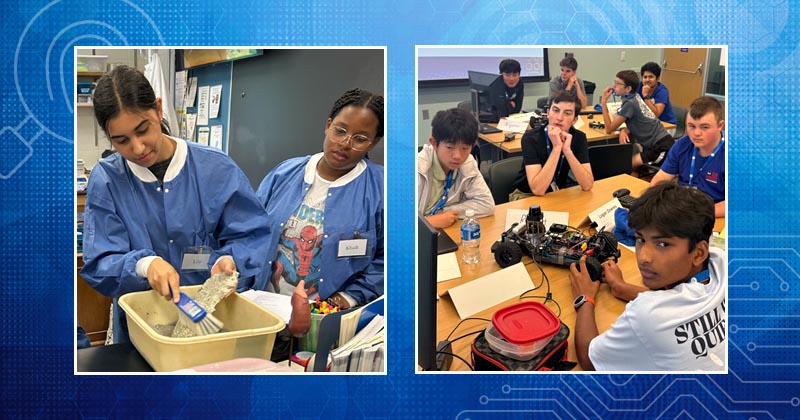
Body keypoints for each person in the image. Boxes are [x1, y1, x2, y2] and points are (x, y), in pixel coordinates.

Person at [80, 65, 271, 344]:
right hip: (140, 330)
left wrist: (230, 260)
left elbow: (252, 236)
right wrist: (145, 265)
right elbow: (100, 262)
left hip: (211, 324)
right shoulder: (107, 180)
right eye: (121, 141)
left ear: (158, 109)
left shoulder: (215, 168)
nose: (138, 148)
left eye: (143, 130)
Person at [569, 183, 726, 371]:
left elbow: (590, 360)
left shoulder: (648, 316)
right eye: (641, 239)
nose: (644, 257)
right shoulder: (722, 262)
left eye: (663, 244)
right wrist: (621, 287)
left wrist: (584, 298)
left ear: (699, 252)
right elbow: (682, 302)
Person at [254, 88, 384, 314]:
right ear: (328, 125)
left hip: (325, 316)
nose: (345, 143)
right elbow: (251, 231)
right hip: (265, 307)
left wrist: (348, 297)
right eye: (340, 131)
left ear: (374, 143)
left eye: (360, 139)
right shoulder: (284, 174)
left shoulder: (382, 188)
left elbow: (391, 258)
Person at [417, 108, 495, 229]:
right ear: (434, 143)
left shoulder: (468, 162)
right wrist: (428, 222)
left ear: (473, 145)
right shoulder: (417, 169)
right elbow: (396, 221)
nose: (457, 156)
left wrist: (442, 213)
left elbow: (486, 205)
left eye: (464, 148)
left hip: (447, 229)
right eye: (449, 147)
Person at [509, 91, 594, 199]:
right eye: (556, 110)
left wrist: (567, 151)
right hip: (527, 195)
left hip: (557, 192)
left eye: (567, 113)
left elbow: (587, 185)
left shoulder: (579, 138)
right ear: (548, 113)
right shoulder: (531, 138)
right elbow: (538, 189)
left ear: (575, 120)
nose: (559, 117)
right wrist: (557, 148)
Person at [650, 96, 725, 217]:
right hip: (683, 211)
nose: (696, 133)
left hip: (713, 215)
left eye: (704, 127)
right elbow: (662, 177)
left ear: (720, 125)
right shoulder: (682, 145)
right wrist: (652, 200)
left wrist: (697, 213)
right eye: (691, 126)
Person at [600, 70, 674, 171]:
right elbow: (637, 120)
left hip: (660, 148)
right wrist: (624, 129)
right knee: (629, 163)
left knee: (623, 166)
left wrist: (603, 102)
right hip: (663, 142)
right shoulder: (636, 97)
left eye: (618, 83)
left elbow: (609, 129)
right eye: (614, 82)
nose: (614, 86)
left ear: (628, 89)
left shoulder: (629, 104)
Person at [635, 62, 677, 134]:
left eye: (651, 77)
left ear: (657, 78)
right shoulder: (639, 86)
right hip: (648, 123)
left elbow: (656, 114)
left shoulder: (662, 91)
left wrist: (645, 95)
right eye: (645, 77)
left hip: (665, 126)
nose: (647, 80)